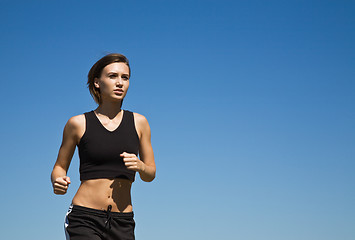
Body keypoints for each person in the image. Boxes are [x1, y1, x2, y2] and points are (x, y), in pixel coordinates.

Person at [51, 53, 156, 240]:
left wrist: (140, 166)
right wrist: (58, 180)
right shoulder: (77, 123)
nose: (120, 82)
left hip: (123, 221)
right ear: (97, 82)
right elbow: (60, 166)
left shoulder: (140, 123)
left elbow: (150, 174)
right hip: (84, 218)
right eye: (112, 76)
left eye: (125, 77)